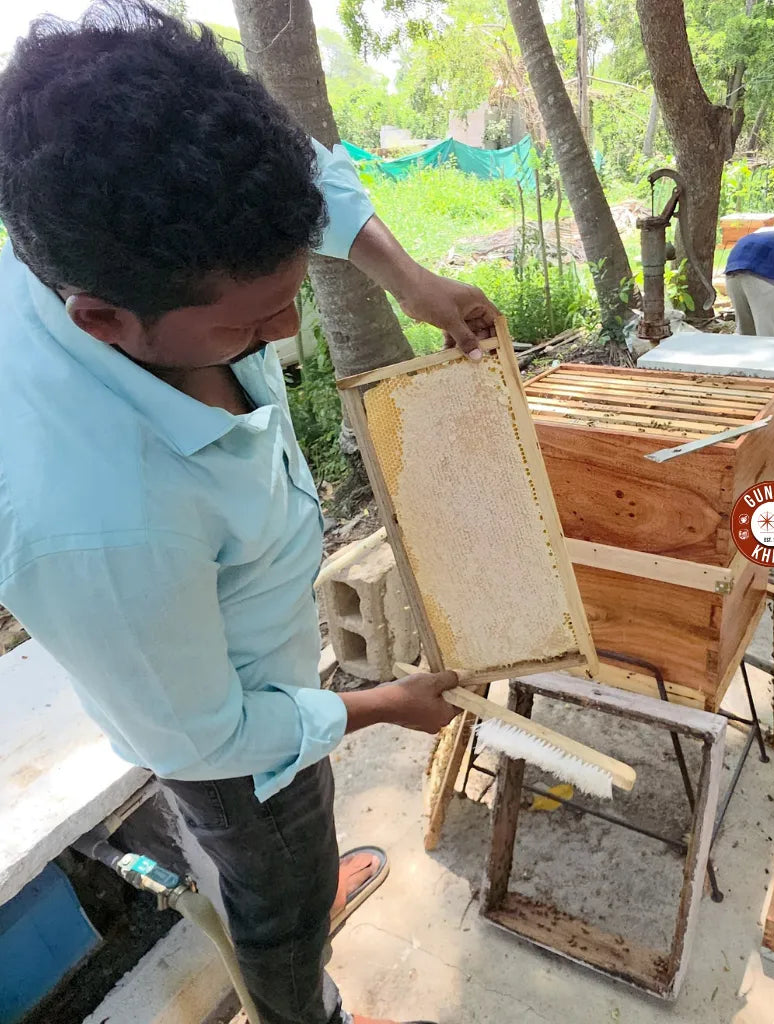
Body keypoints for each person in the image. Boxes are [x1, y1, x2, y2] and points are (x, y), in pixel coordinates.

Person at [0, 4, 500, 1024]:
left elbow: (311, 175)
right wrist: (379, 706)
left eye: (292, 291)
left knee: (288, 860)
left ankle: (304, 903)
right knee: (272, 885)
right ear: (100, 316)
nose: (287, 333)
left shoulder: (130, 217)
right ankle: (299, 999)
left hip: (235, 645)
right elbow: (207, 735)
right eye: (250, 319)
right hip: (235, 748)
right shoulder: (94, 522)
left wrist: (411, 282)